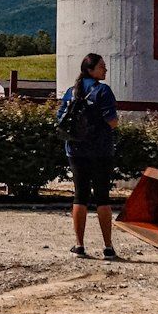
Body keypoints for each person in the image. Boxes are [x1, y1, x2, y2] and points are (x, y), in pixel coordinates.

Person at [58, 52, 119, 259]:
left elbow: (61, 118)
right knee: (102, 197)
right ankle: (108, 247)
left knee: (80, 196)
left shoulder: (70, 92)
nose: (105, 69)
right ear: (91, 70)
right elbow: (112, 121)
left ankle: (79, 245)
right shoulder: (103, 91)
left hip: (75, 150)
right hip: (101, 150)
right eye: (102, 66)